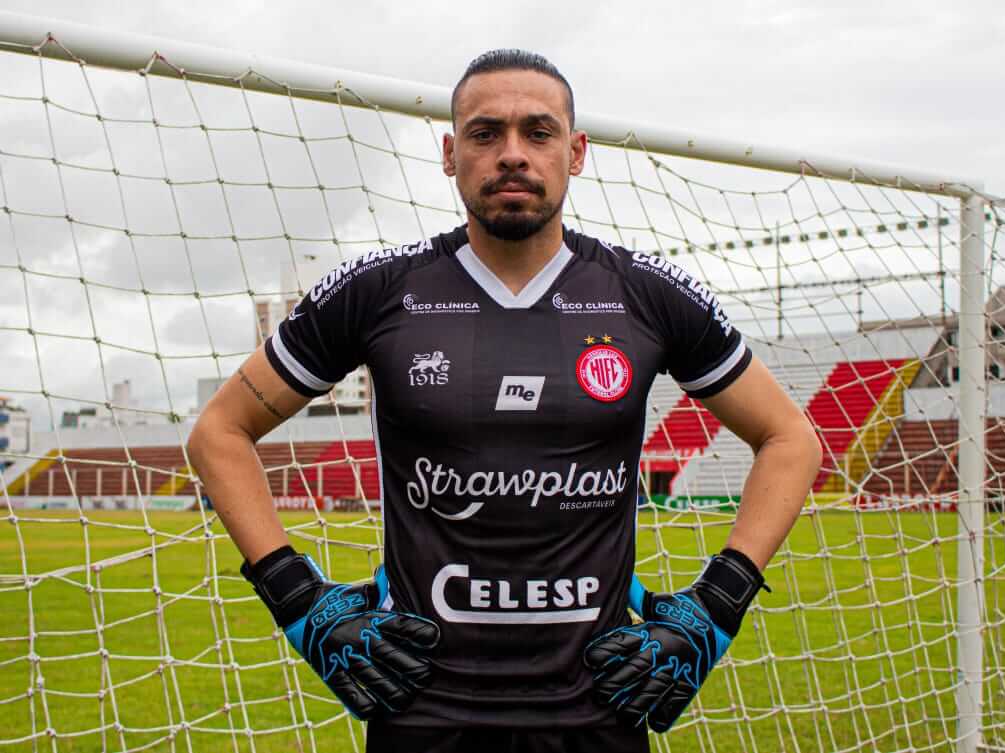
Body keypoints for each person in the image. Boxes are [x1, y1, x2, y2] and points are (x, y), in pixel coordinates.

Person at [188, 49, 821, 753]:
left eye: (538, 132)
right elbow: (220, 431)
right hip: (420, 709)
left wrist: (717, 605)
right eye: (486, 134)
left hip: (602, 708)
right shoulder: (379, 291)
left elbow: (790, 438)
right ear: (450, 154)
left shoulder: (645, 294)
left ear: (576, 152)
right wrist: (300, 603)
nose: (513, 154)